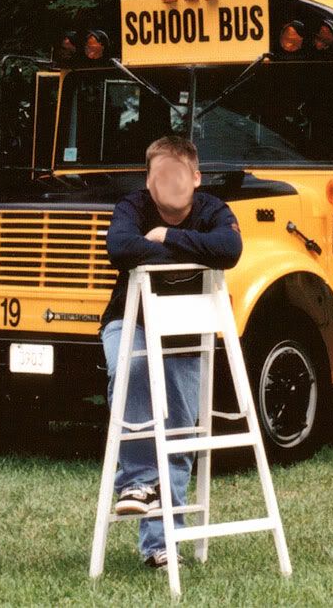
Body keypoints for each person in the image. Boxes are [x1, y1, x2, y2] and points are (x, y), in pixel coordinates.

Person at [99, 135, 242, 569]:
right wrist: (182, 247)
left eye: (177, 175)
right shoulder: (131, 207)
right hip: (131, 322)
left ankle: (163, 543)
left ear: (195, 178)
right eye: (158, 175)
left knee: (179, 433)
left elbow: (230, 250)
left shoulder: (214, 210)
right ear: (149, 180)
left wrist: (167, 236)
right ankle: (139, 484)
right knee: (131, 373)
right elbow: (119, 247)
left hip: (186, 330)